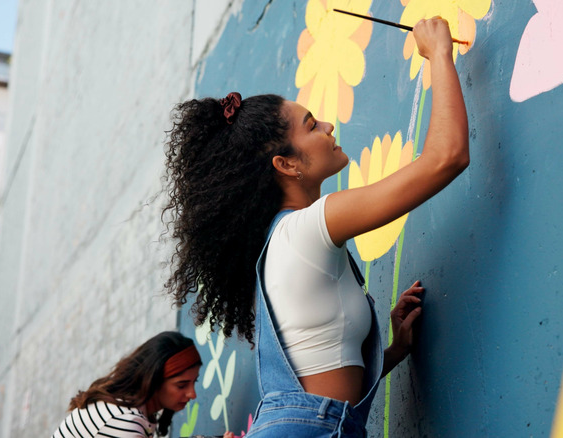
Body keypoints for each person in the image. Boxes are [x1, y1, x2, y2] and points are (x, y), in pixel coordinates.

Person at [163, 17, 468, 437]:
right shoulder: (305, 229)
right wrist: (439, 53)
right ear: (286, 164)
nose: (327, 126)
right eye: (311, 125)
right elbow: (446, 157)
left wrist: (393, 350)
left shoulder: (285, 241)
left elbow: (322, 384)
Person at [51, 331, 234, 438]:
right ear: (153, 380)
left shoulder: (124, 402)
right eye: (181, 385)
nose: (192, 394)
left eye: (194, 382)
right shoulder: (124, 421)